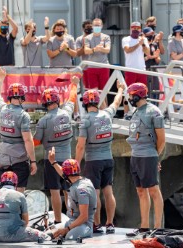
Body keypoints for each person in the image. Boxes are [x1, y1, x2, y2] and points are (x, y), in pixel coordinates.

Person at [75, 82, 125, 234]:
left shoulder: (86, 120)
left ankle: (96, 224)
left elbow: (80, 146)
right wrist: (121, 88)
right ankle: (110, 223)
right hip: (108, 159)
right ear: (98, 102)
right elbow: (116, 102)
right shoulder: (107, 114)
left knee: (95, 193)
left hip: (93, 161)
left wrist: (75, 164)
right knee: (108, 192)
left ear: (85, 103)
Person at [33, 76, 79, 224]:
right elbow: (72, 98)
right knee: (69, 190)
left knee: (54, 191)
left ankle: (58, 221)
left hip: (50, 159)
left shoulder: (43, 121)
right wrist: (74, 84)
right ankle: (72, 217)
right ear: (57, 100)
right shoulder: (66, 112)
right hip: (68, 159)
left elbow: (35, 142)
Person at [125, 83, 165, 237]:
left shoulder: (153, 112)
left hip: (148, 156)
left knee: (154, 190)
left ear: (137, 95)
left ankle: (158, 227)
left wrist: (156, 158)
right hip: (135, 156)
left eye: (130, 95)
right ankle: (144, 227)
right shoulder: (136, 112)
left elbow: (161, 139)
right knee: (141, 191)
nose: (129, 99)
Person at [0, 64, 37, 193]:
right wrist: (33, 161)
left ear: (10, 96)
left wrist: (1, 78)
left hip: (4, 158)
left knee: (4, 191)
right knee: (19, 192)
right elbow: (28, 141)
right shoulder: (23, 116)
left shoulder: (2, 109)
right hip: (20, 159)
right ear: (22, 97)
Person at [0, 171, 50, 242]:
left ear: (0, 183)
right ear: (16, 184)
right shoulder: (19, 195)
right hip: (14, 234)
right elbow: (26, 222)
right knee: (45, 237)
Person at [48, 148, 97, 240]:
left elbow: (84, 216)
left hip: (84, 225)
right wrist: (53, 162)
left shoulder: (81, 189)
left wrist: (67, 229)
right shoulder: (75, 179)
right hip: (71, 221)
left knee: (69, 237)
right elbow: (63, 173)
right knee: (49, 234)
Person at [84, 18, 111, 93]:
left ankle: (104, 105)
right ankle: (95, 105)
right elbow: (86, 51)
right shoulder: (87, 38)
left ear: (102, 26)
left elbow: (108, 50)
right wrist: (95, 49)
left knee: (104, 91)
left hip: (104, 67)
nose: (97, 27)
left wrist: (101, 49)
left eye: (98, 25)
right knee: (93, 91)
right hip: (92, 67)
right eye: (95, 25)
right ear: (92, 26)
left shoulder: (106, 37)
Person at [122, 22, 150, 86]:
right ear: (130, 29)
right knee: (130, 91)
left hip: (141, 69)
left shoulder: (144, 39)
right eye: (134, 28)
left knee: (142, 91)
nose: (136, 29)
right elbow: (127, 50)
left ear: (140, 29)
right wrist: (138, 44)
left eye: (138, 28)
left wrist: (143, 44)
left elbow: (147, 53)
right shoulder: (126, 39)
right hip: (130, 69)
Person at [76, 19, 92, 88]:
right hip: (85, 68)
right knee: (87, 88)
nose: (89, 29)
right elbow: (78, 53)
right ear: (83, 29)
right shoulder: (79, 39)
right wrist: (84, 44)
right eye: (87, 27)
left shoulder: (96, 37)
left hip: (96, 67)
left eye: (90, 27)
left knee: (101, 89)